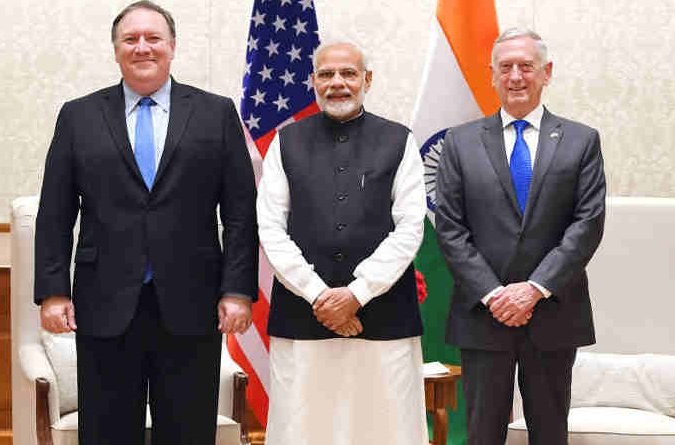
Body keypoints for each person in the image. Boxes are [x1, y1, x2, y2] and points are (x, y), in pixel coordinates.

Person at [33, 2, 258, 443]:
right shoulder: (78, 116)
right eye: (130, 39)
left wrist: (237, 290)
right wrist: (54, 290)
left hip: (193, 303)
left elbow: (239, 213)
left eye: (153, 38)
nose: (142, 48)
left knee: (188, 429)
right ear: (115, 50)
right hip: (105, 303)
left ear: (172, 47)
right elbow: (56, 211)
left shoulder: (216, 113)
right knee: (108, 430)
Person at [435, 27, 606, 445]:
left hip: (553, 313)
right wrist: (496, 295)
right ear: (492, 75)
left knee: (549, 433)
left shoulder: (581, 141)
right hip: (482, 314)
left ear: (546, 72)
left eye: (526, 67)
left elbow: (587, 224)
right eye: (505, 67)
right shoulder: (460, 143)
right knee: (481, 434)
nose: (515, 76)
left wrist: (533, 289)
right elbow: (451, 229)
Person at [256, 40, 429, 445]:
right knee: (303, 429)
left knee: (386, 429)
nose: (338, 83)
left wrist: (357, 293)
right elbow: (271, 228)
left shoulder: (399, 140)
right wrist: (321, 296)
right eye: (327, 74)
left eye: (349, 73)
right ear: (312, 81)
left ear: (367, 79)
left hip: (384, 317)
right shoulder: (286, 142)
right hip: (303, 317)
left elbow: (409, 229)